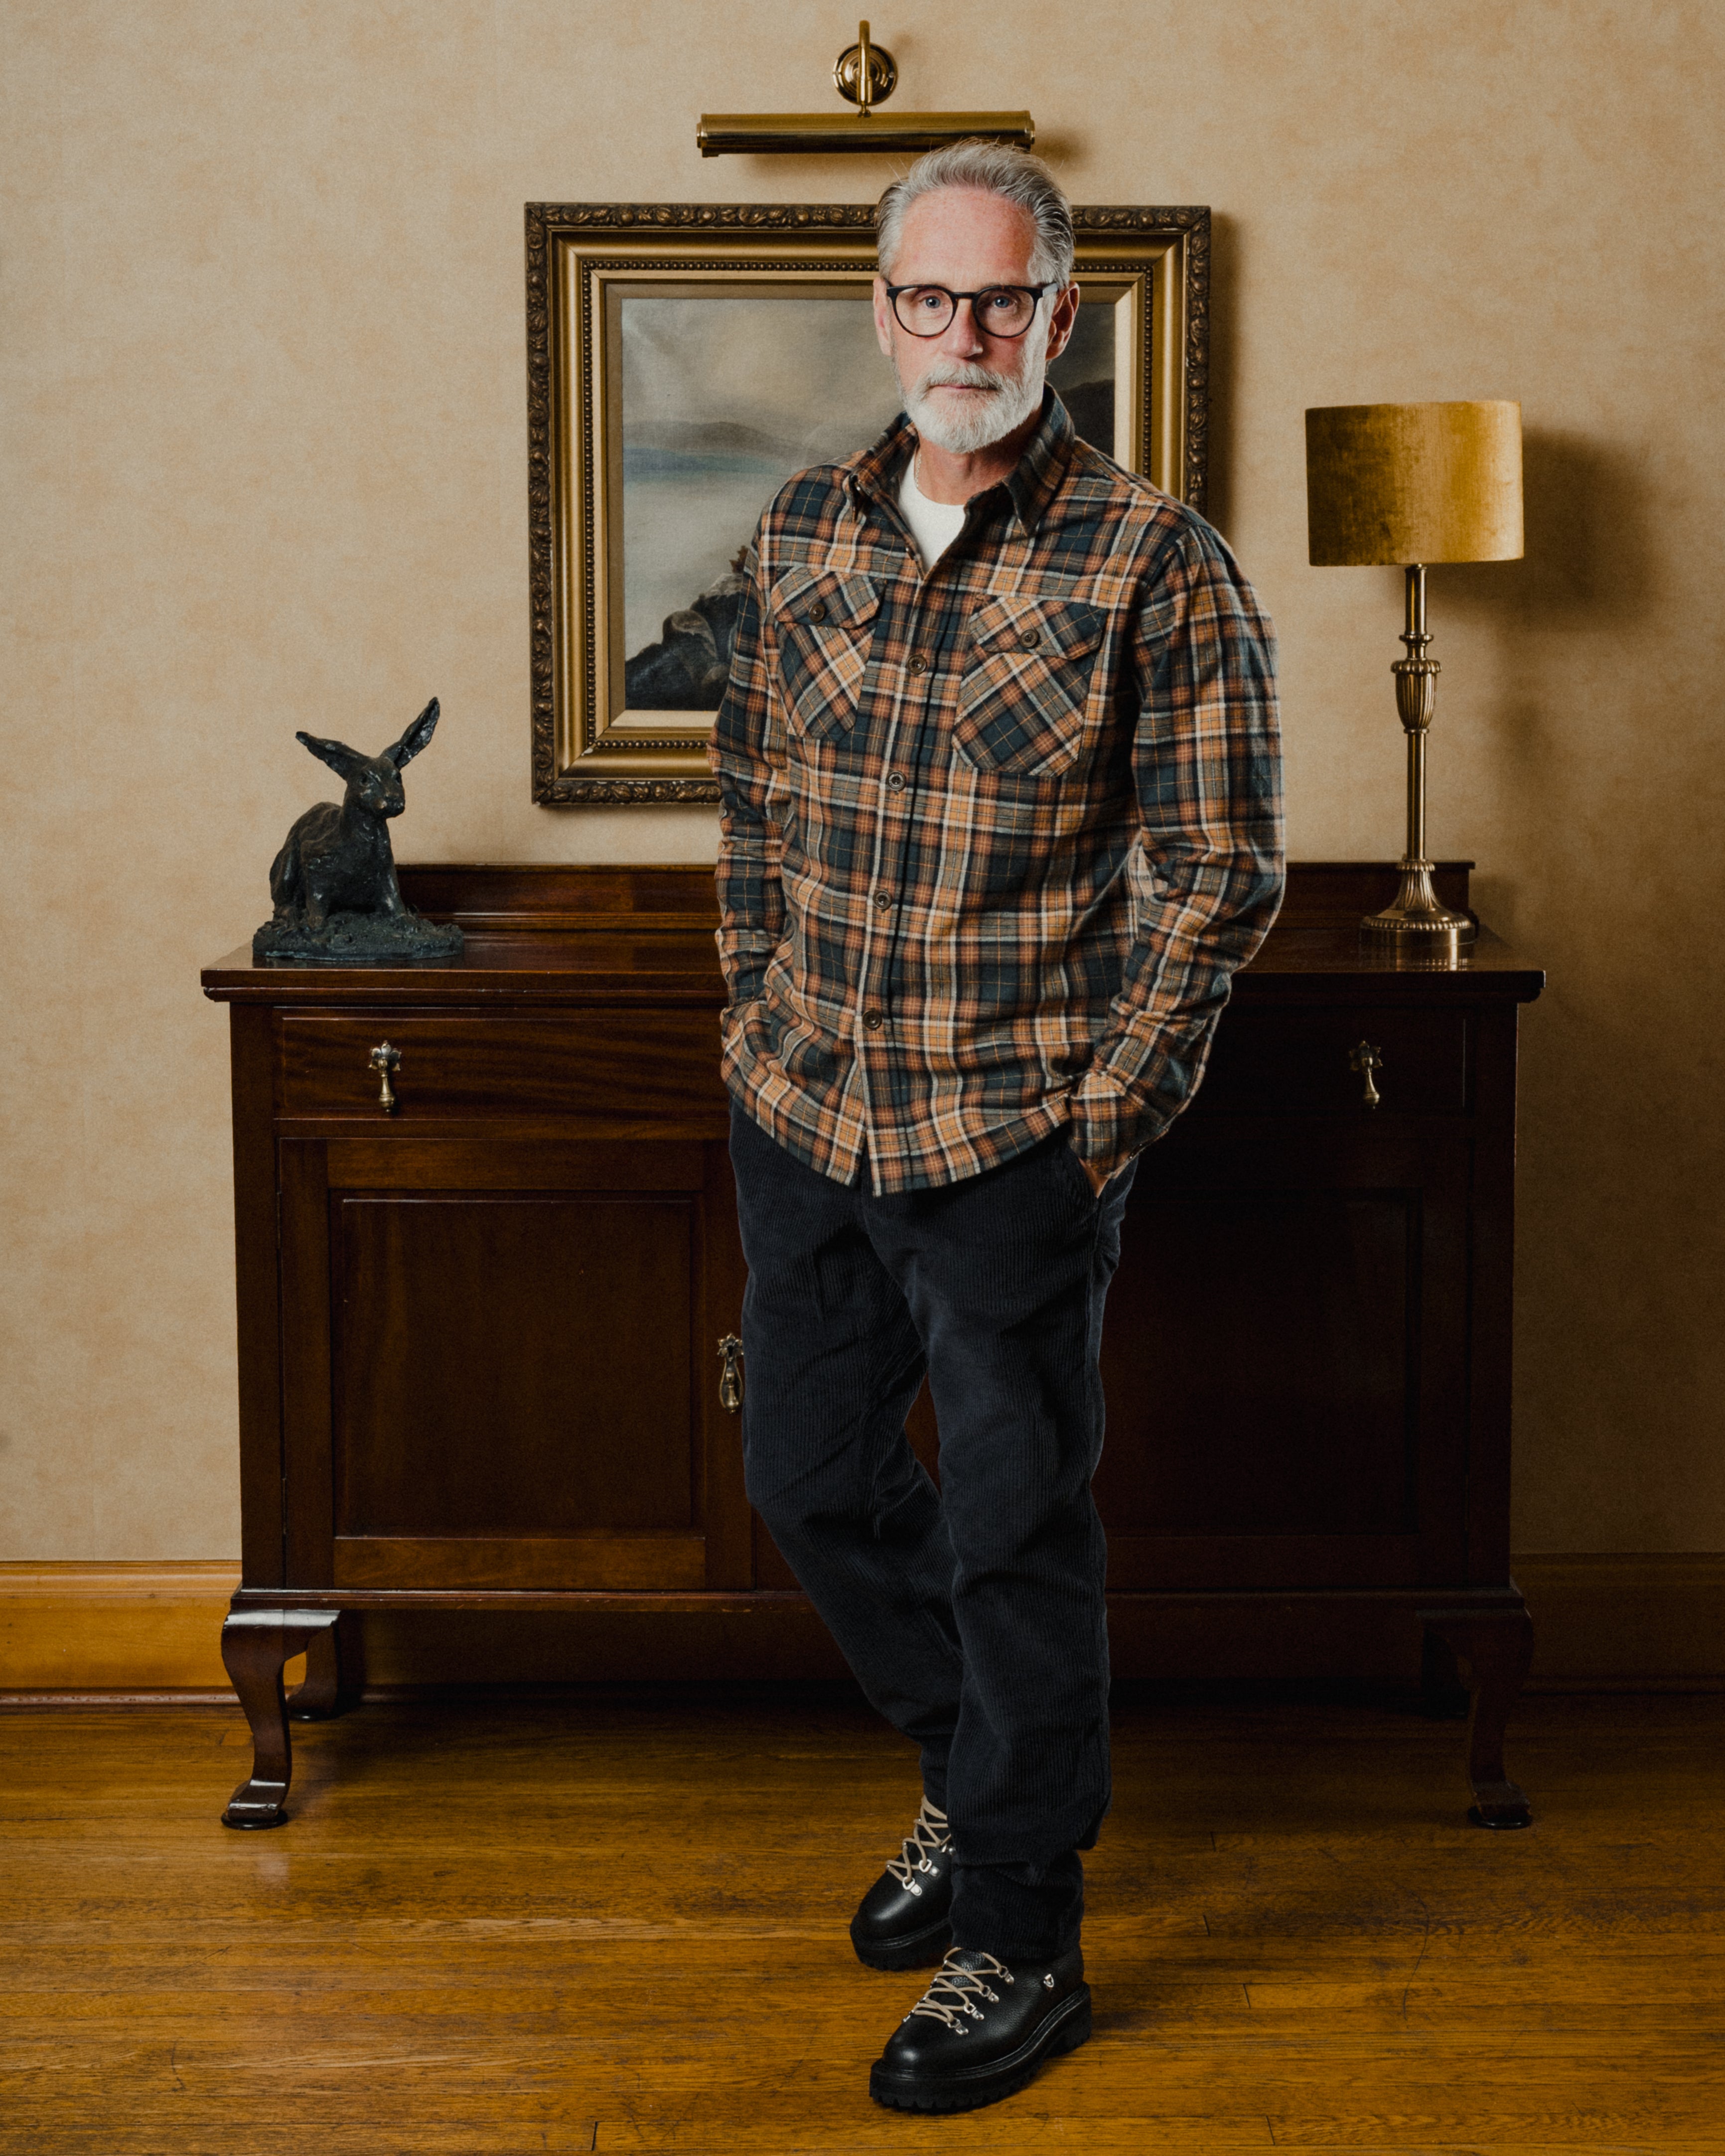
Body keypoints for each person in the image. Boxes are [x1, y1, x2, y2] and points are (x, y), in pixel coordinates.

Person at [709, 141, 1284, 2114]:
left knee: (1011, 1518)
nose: (965, 332)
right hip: (802, 1109)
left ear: (1060, 312)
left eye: (1004, 299)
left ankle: (1020, 1937)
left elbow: (1214, 873)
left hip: (1005, 1139)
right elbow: (753, 805)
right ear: (880, 309)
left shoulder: (1153, 560)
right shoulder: (797, 528)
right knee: (803, 1476)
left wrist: (1098, 1120)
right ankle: (982, 1774)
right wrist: (745, 1014)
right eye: (930, 297)